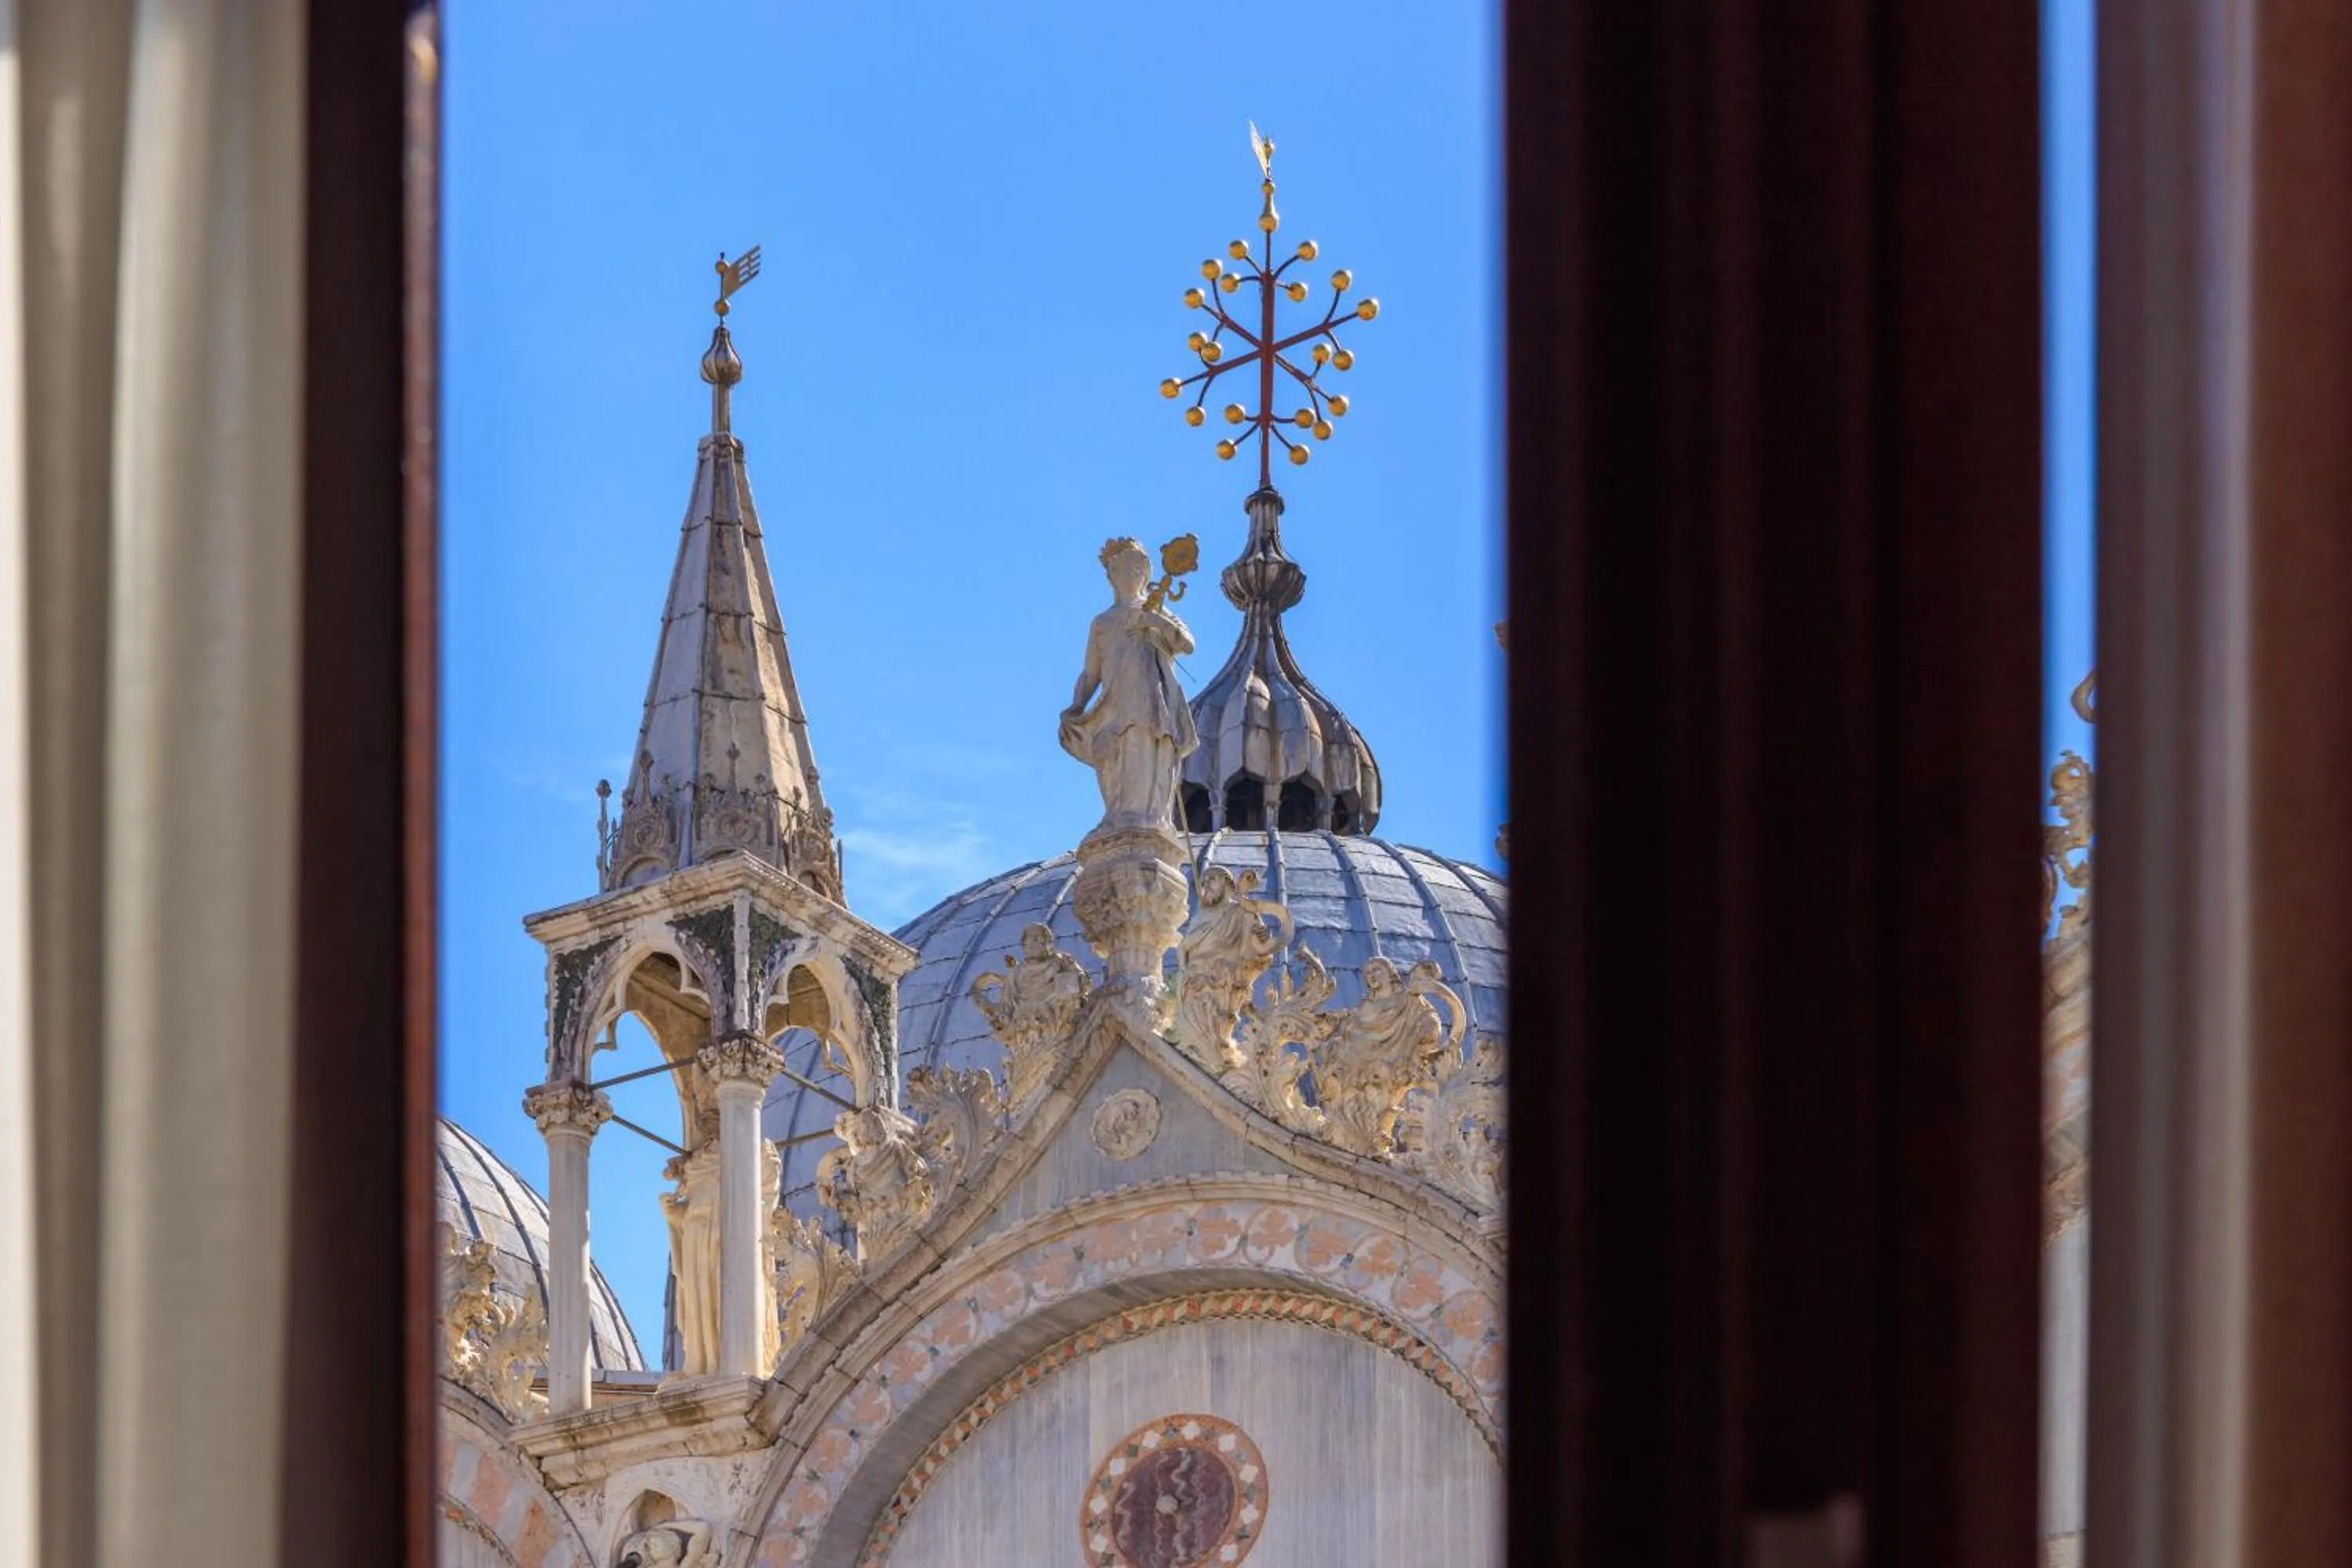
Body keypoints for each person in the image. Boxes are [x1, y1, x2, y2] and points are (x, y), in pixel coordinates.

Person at [1060, 538, 1198, 830]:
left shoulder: (1157, 611)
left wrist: (1152, 622)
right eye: (1126, 568)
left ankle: (1147, 819)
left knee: (1145, 752)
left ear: (1147, 574)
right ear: (1112, 576)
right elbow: (1090, 674)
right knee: (1113, 760)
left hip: (1151, 704)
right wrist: (1077, 705)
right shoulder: (1103, 623)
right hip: (1113, 708)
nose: (1133, 573)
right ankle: (1119, 818)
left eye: (1138, 568)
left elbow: (1186, 644)